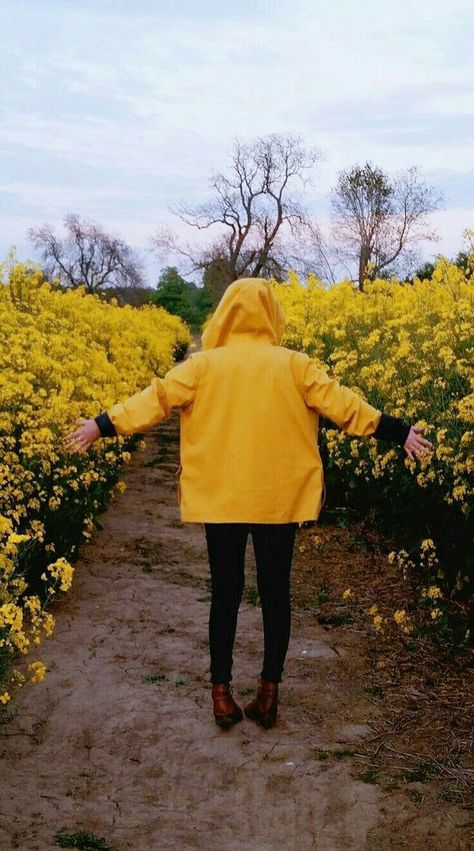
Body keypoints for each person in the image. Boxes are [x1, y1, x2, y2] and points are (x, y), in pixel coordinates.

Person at [64, 277, 432, 730]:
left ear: (225, 313)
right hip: (279, 500)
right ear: (272, 314)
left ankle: (221, 696)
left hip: (222, 499)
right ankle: (268, 694)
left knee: (226, 592)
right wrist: (399, 432)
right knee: (276, 595)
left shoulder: (202, 366)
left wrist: (102, 425)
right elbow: (345, 406)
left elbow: (156, 399)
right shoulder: (296, 366)